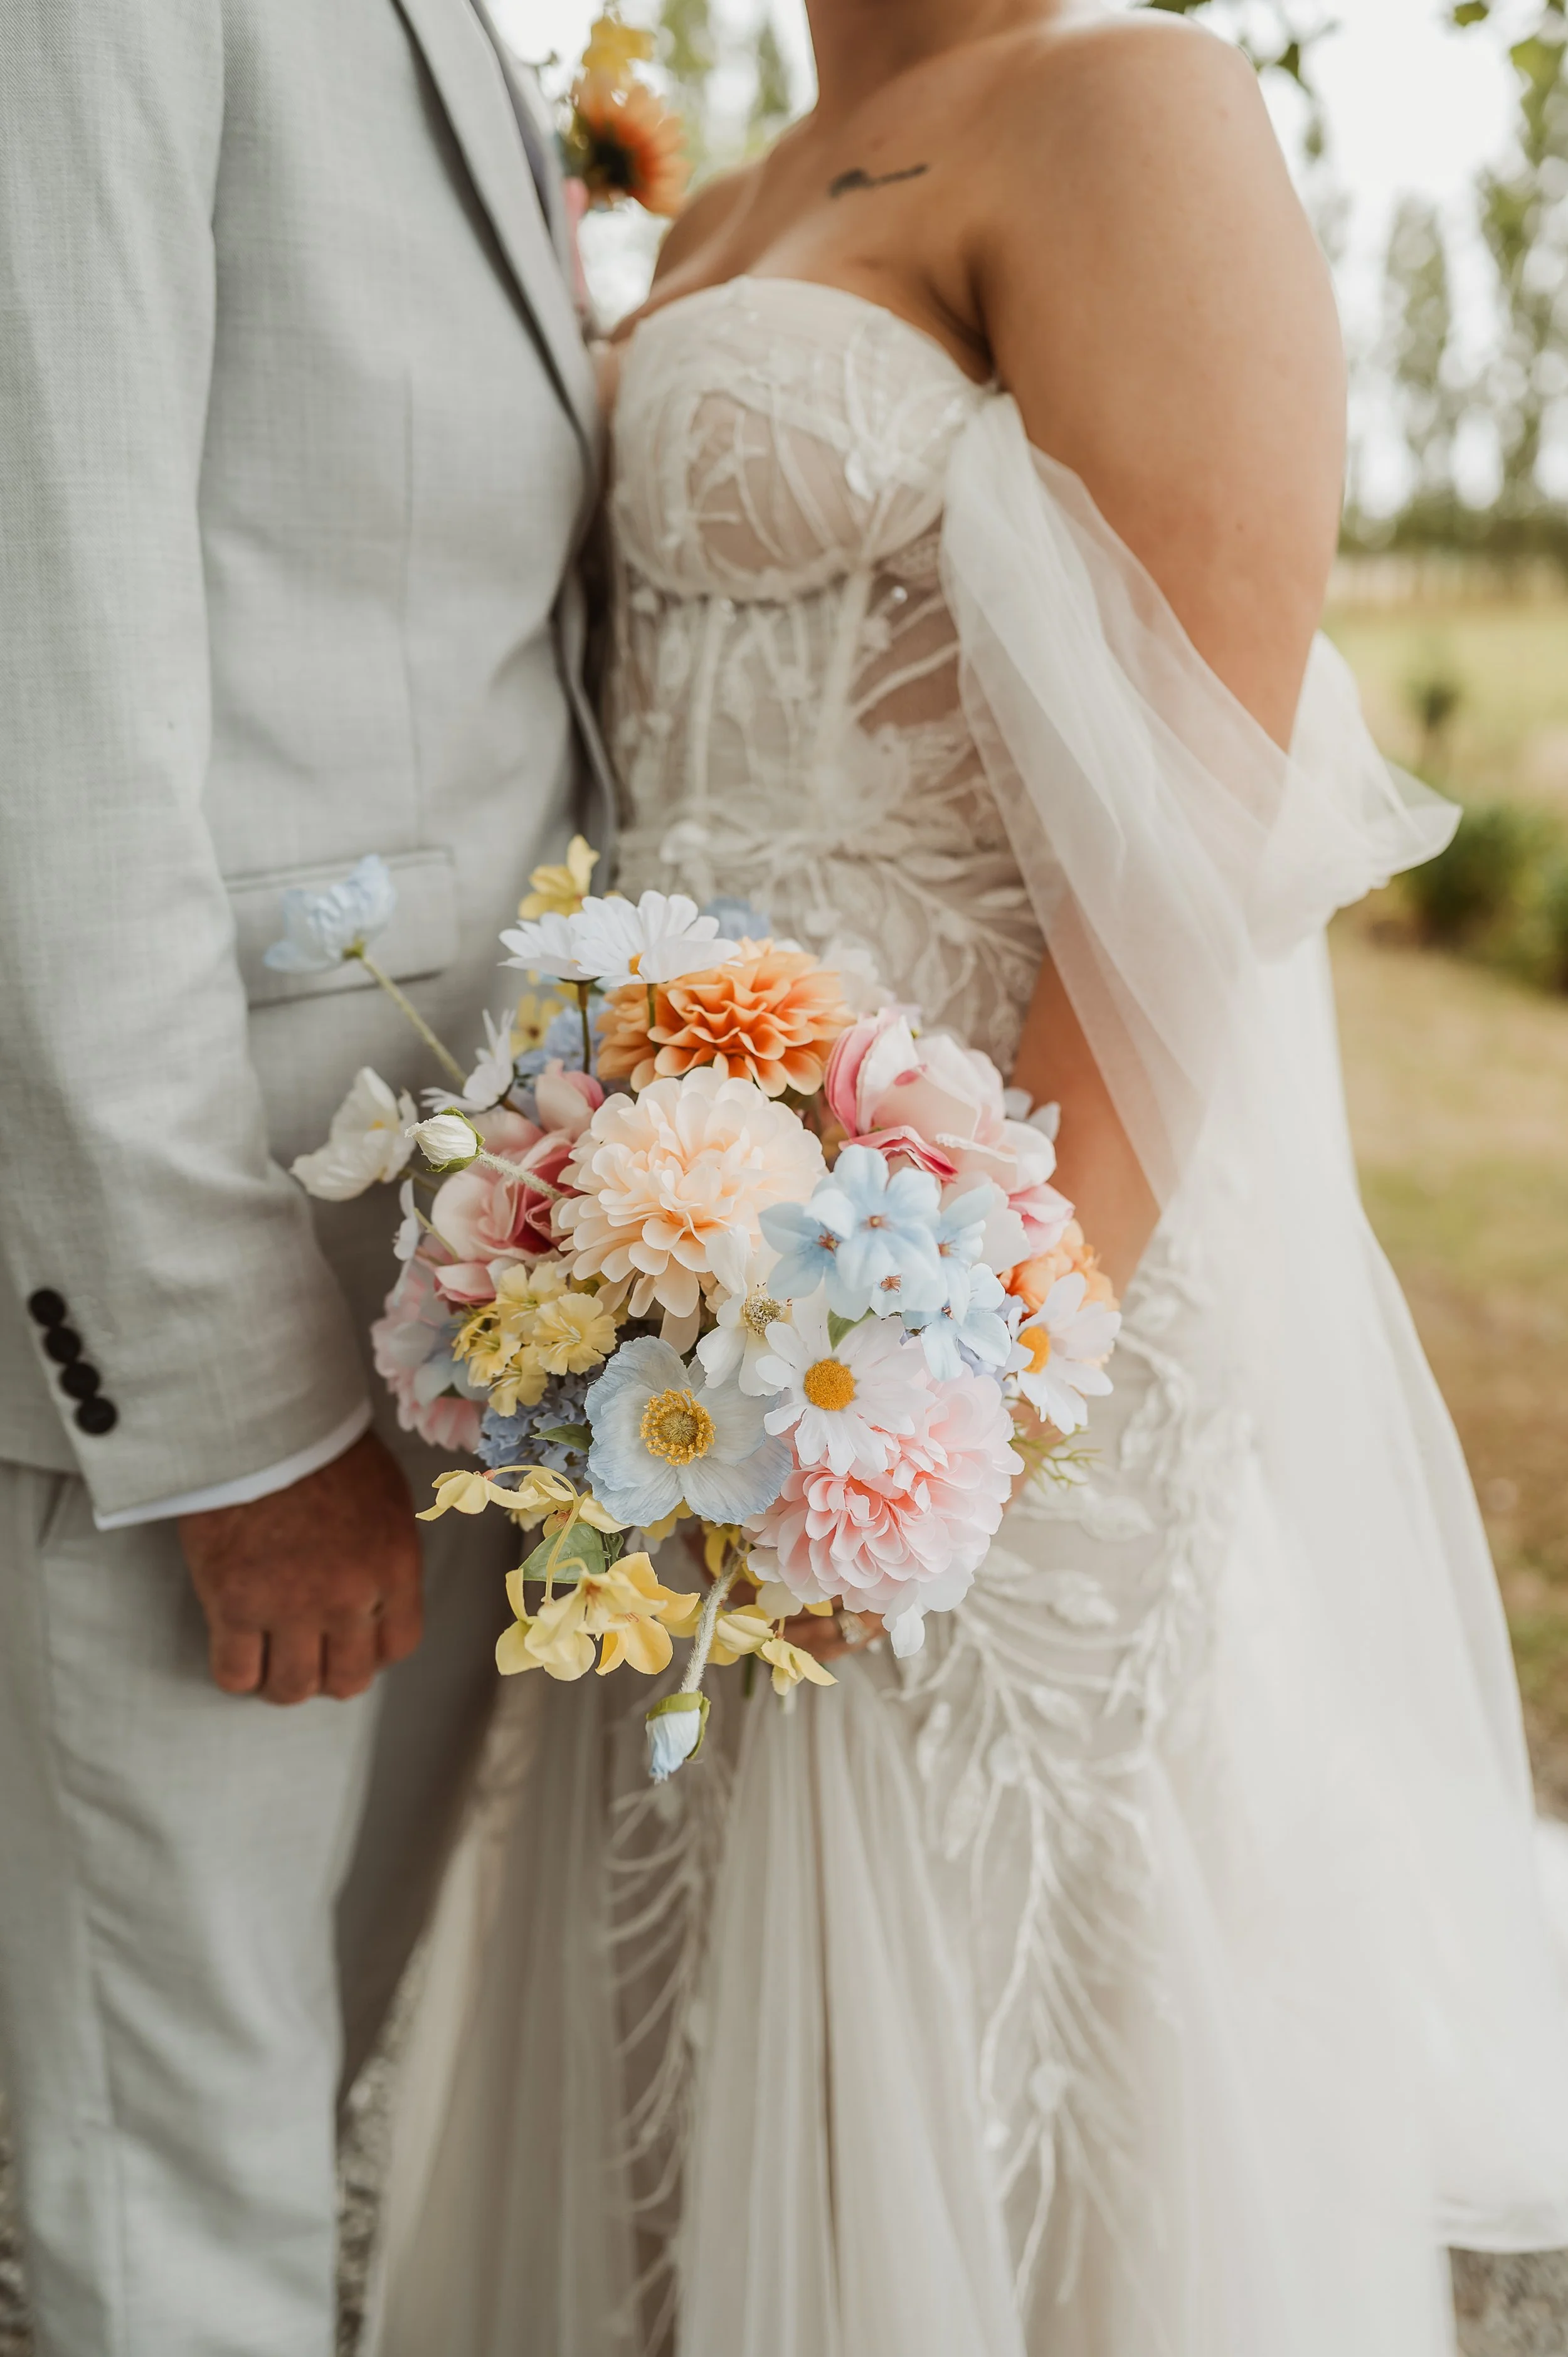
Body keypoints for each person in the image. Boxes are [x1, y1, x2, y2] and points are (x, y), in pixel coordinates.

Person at [369, 4, 1568, 2354]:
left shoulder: (1127, 104)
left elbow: (1189, 827)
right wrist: (590, 1238)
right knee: (685, 1963)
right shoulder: (741, 176)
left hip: (983, 1256)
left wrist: (954, 1391)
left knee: (999, 1967)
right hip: (663, 1271)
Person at [0, 2, 608, 2349]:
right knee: (185, 2217)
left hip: (449, 1305)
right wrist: (238, 1412)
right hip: (207, 1348)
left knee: (283, 2111)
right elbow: (49, 739)